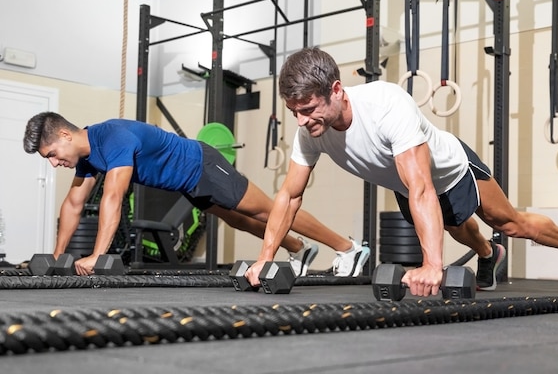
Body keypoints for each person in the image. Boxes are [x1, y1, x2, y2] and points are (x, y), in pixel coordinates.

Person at [245, 47, 558, 297]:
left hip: (452, 170)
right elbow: (289, 195)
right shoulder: (309, 133)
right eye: (294, 111)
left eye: (307, 109)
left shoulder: (385, 104)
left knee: (507, 223)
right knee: (461, 231)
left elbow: (421, 187)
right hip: (411, 188)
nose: (301, 120)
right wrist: (265, 260)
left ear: (336, 90)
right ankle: (488, 255)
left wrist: (433, 264)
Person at [22, 112, 371, 276]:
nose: (54, 163)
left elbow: (113, 198)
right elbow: (73, 204)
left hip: (201, 164)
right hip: (188, 184)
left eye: (52, 155)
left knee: (268, 211)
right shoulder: (85, 157)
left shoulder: (111, 138)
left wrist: (98, 256)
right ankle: (299, 248)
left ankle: (349, 249)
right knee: (241, 222)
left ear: (66, 136)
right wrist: (57, 256)